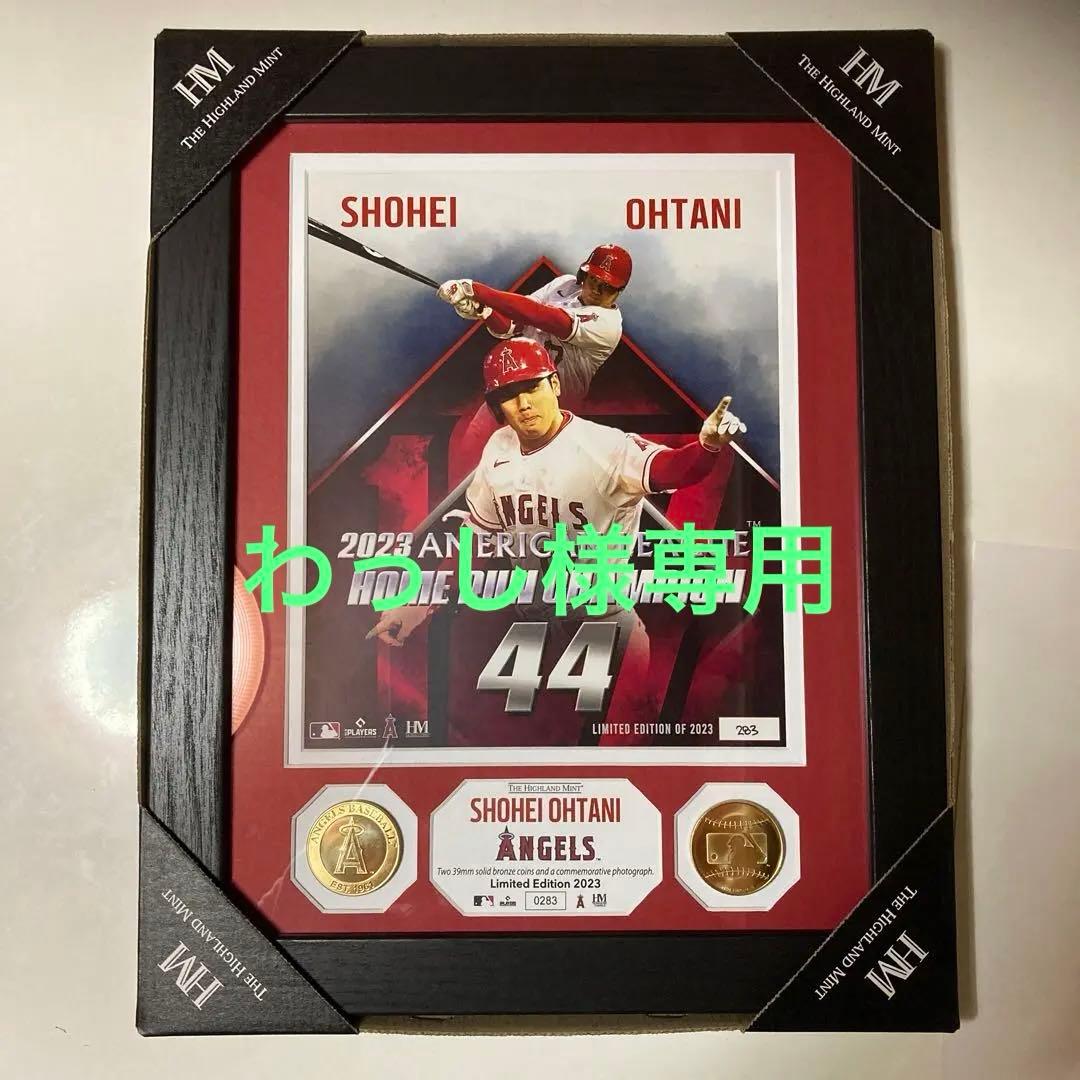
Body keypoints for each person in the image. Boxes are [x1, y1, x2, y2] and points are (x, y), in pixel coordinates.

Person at [369, 339, 745, 710]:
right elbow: (478, 539)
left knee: (625, 726)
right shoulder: (499, 447)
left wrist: (707, 447)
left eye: (532, 387)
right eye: (509, 394)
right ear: (496, 407)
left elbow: (672, 469)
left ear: (555, 384)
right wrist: (419, 604)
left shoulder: (603, 446)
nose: (524, 404)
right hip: (534, 626)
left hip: (602, 621)